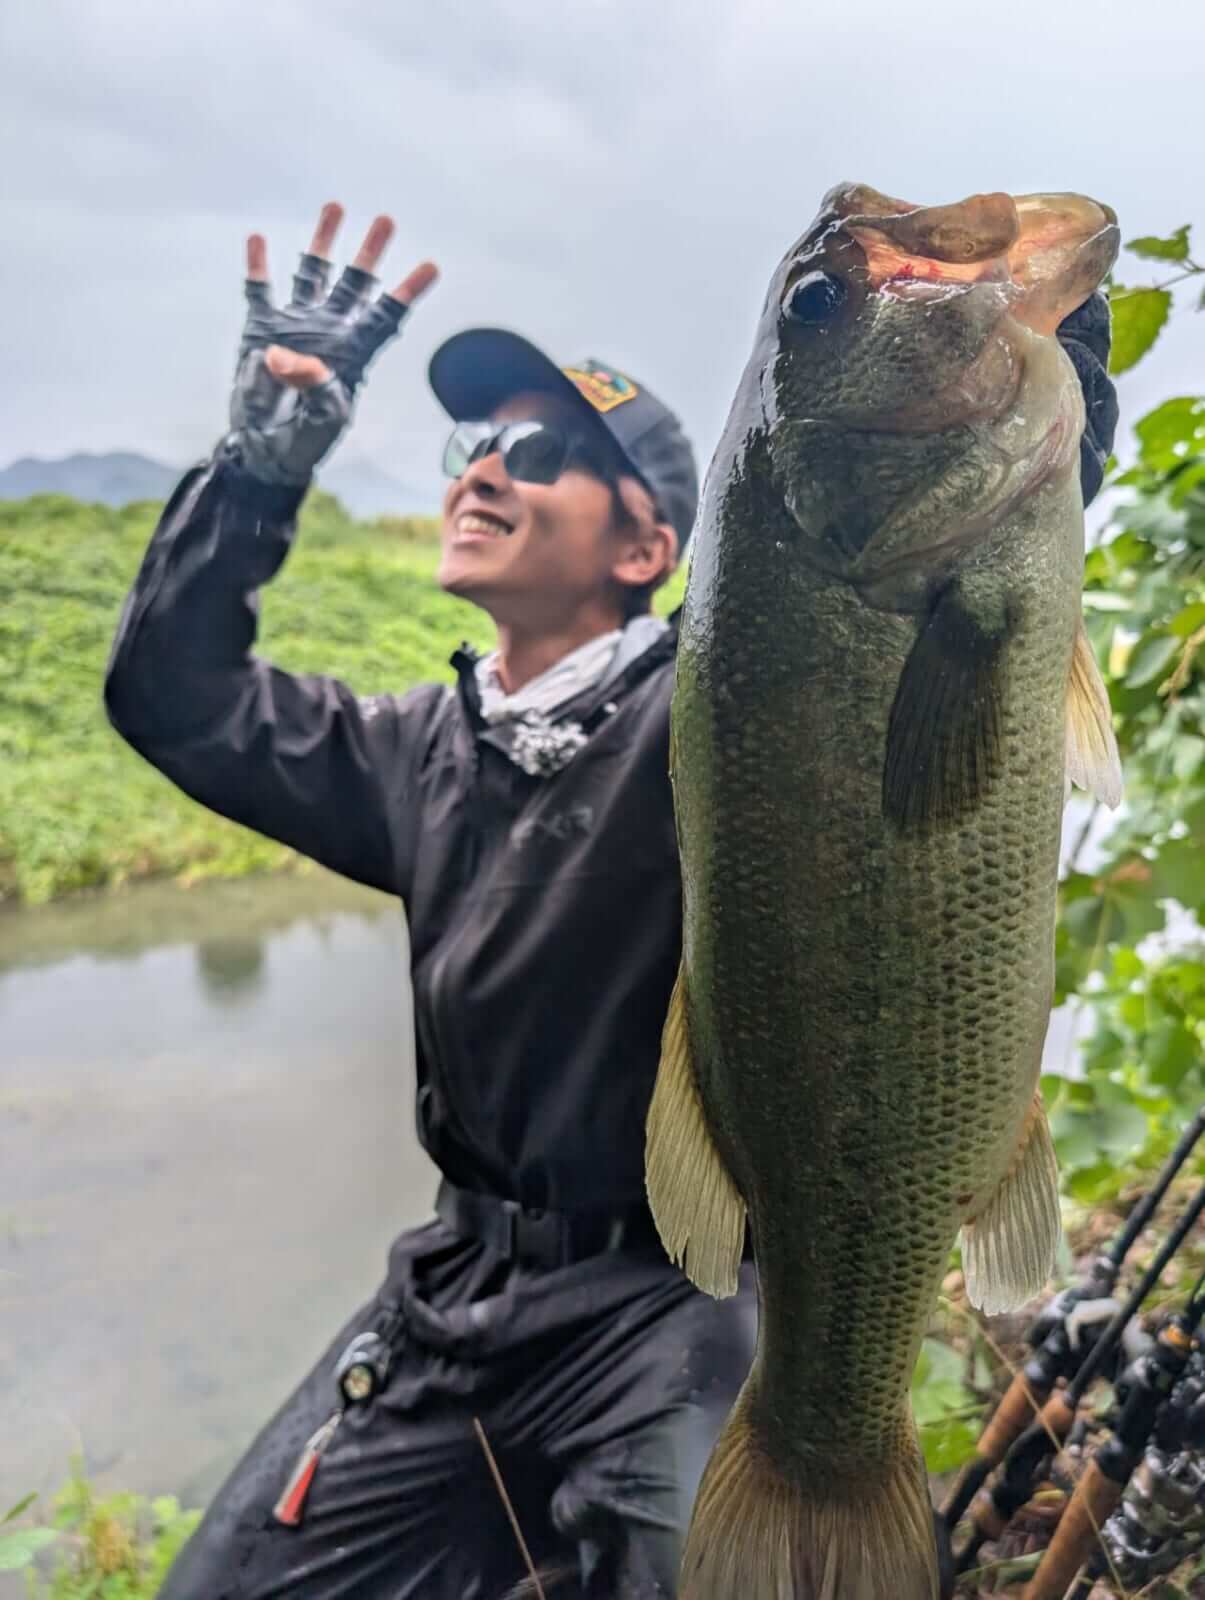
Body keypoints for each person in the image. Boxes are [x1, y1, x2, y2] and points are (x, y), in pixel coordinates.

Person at [104, 201, 1119, 1600]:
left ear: (649, 546)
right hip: (449, 1293)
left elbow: (903, 675)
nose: (480, 475)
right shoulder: (411, 752)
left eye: (535, 453)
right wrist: (261, 468)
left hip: (670, 1298)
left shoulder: (714, 712)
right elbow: (174, 697)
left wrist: (1049, 426)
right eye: (469, 448)